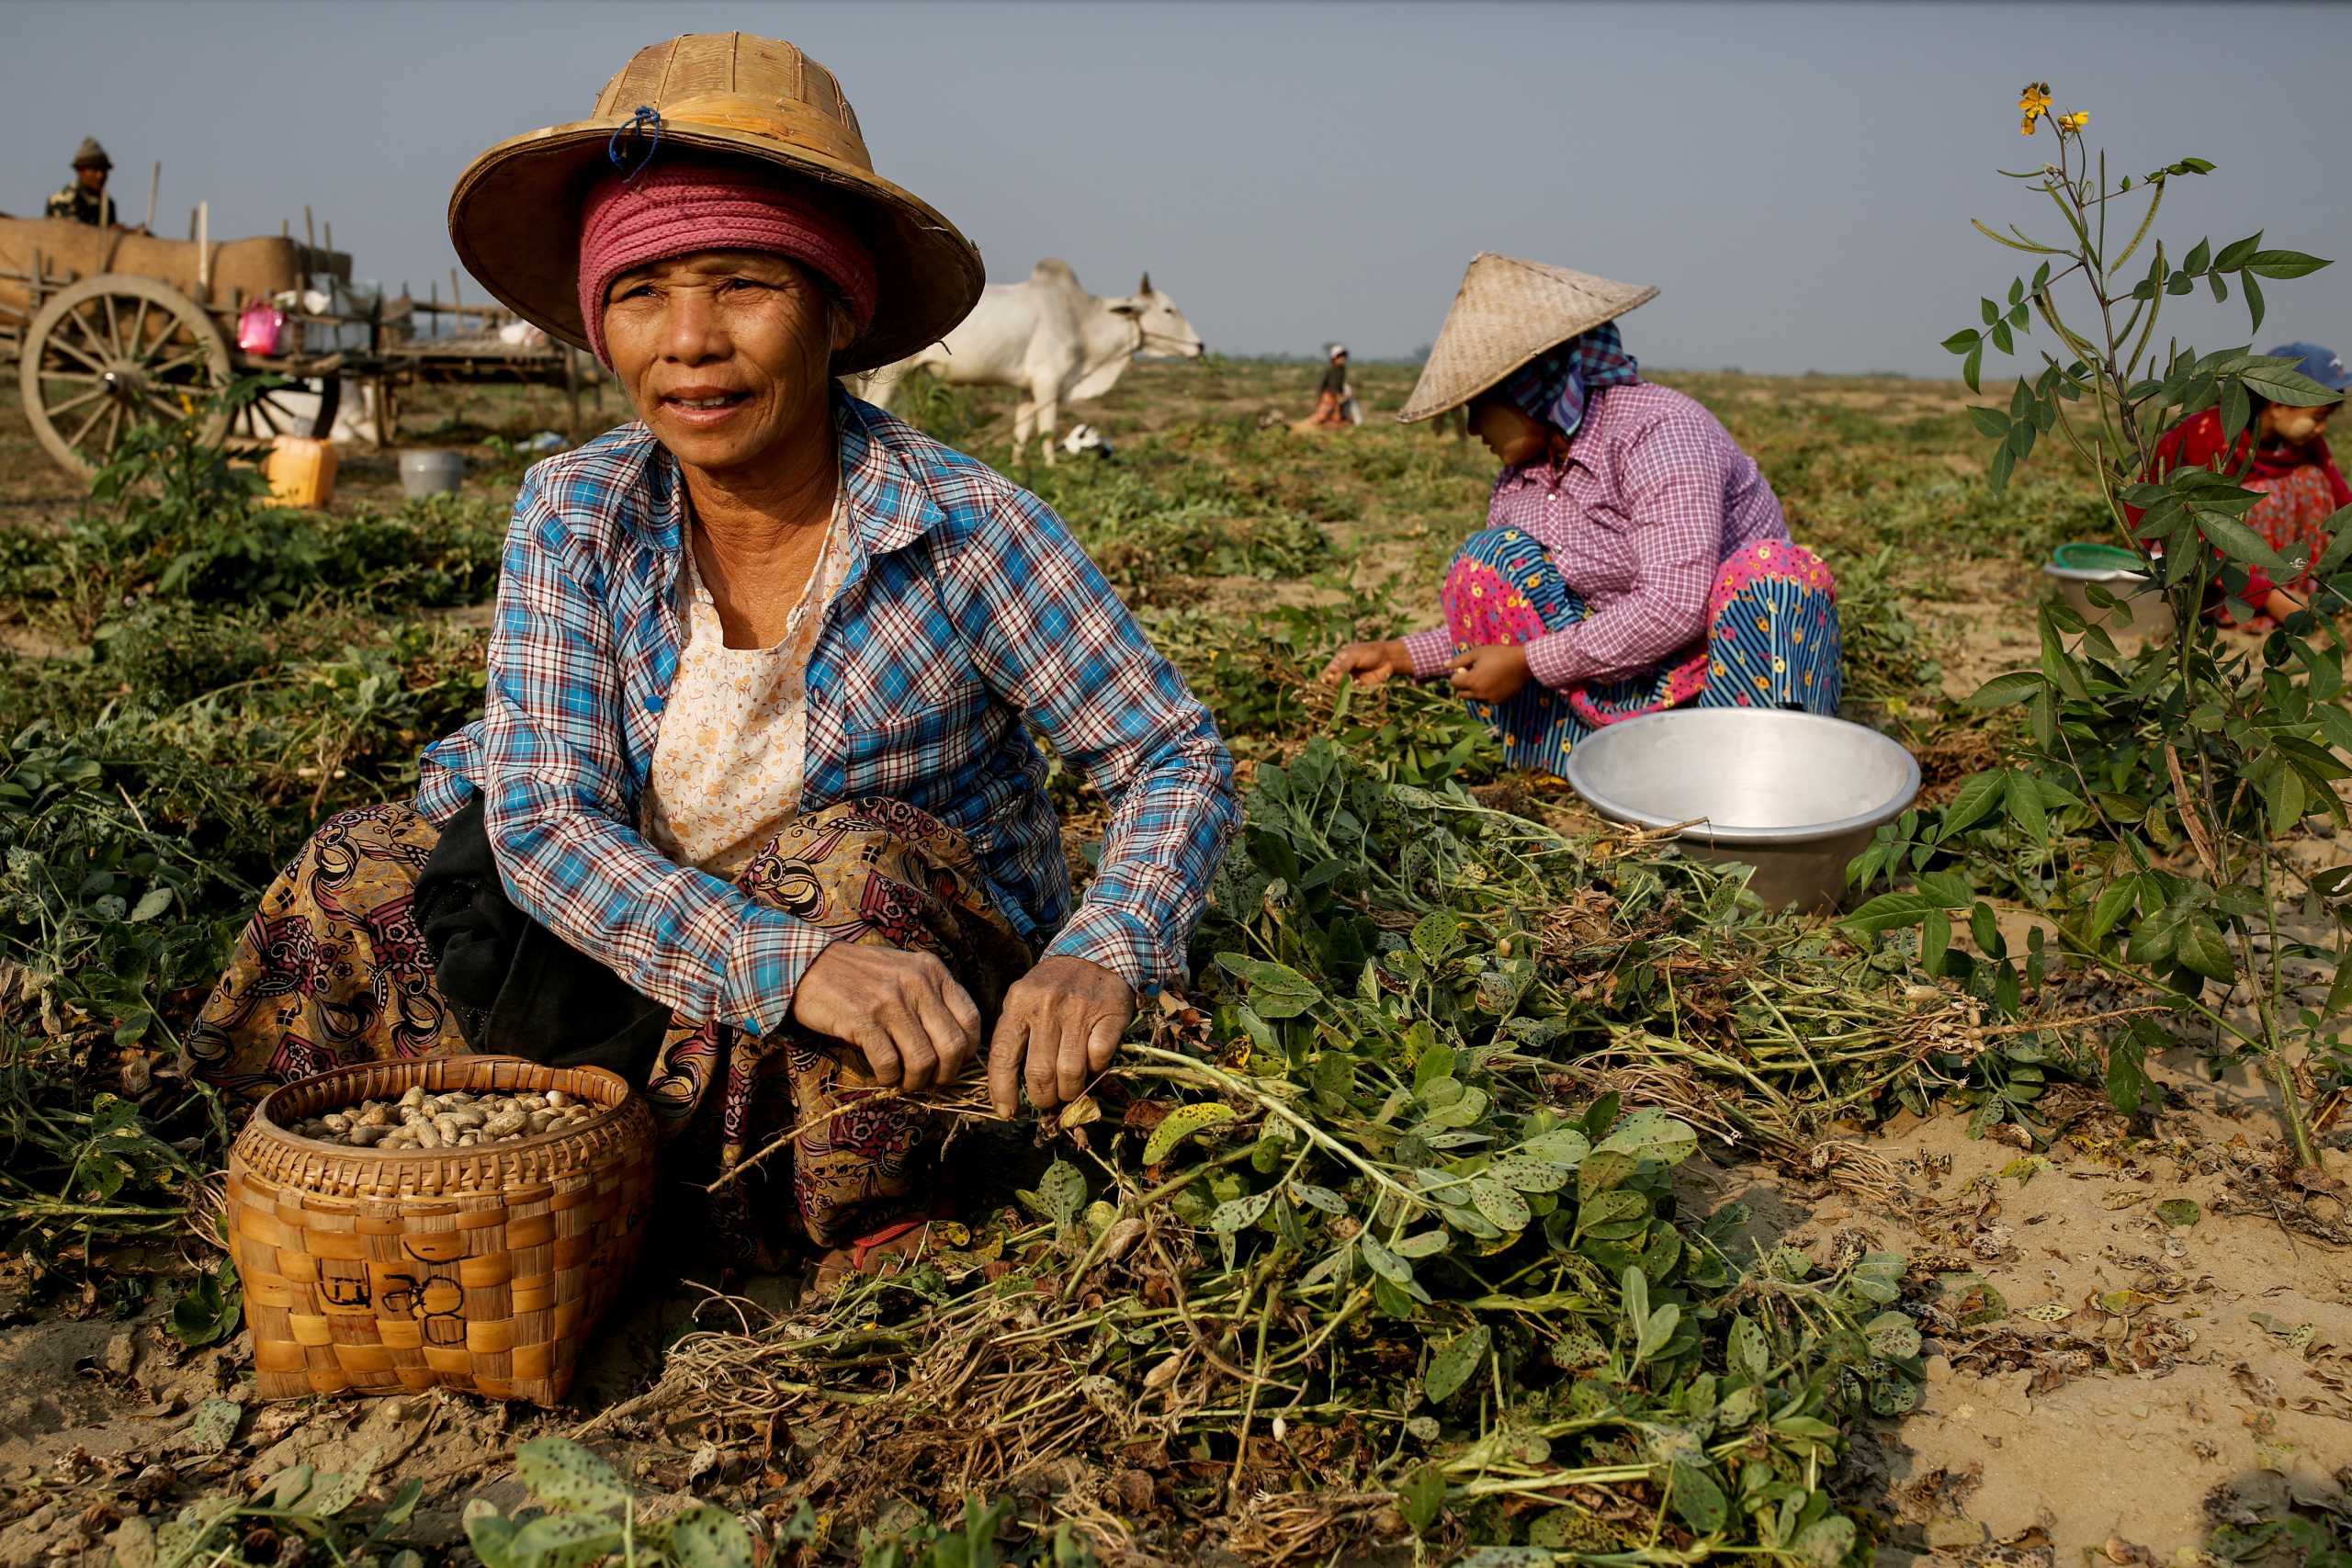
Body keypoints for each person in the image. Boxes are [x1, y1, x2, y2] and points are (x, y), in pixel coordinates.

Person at [185, 32, 1238, 1269]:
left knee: (851, 868)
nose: (688, 340)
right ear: (601, 324)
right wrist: (774, 962)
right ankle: (367, 1180)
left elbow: (1170, 751)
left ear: (837, 309)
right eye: (641, 294)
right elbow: (551, 824)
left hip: (892, 988)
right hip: (660, 938)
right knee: (359, 862)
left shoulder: (963, 527)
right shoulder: (576, 510)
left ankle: (822, 1205)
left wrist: (1100, 949)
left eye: (744, 284)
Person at [1321, 254, 1842, 773]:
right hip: (1614, 681)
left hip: (1724, 678)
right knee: (1491, 562)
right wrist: (1400, 656)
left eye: (1476, 405)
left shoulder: (1659, 432)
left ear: (1528, 386)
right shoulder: (1522, 483)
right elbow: (1517, 622)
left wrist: (1529, 663)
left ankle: (1761, 780)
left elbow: (1674, 604)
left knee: (1775, 575)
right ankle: (1581, 770)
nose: (1472, 428)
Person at [2145, 343, 2348, 629]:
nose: (2322, 428)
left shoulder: (2305, 446)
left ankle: (2299, 588)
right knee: (2258, 498)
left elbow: (2343, 502)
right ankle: (2248, 604)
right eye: (2318, 417)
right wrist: (2266, 595)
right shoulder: (2210, 435)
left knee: (2311, 481)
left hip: (2272, 581)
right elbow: (2191, 534)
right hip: (2193, 566)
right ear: (2278, 405)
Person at [44, 138, 119, 227]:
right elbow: (72, 233)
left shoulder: (107, 204)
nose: (100, 176)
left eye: (104, 170)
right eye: (94, 170)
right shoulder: (64, 200)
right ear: (80, 171)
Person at [1296, 344, 1354, 430]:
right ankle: (1301, 427)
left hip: (1336, 397)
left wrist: (1341, 395)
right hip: (1329, 397)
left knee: (1337, 418)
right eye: (1340, 356)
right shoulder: (1331, 369)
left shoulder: (1341, 370)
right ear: (1334, 358)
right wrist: (1322, 398)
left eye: (1344, 355)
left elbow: (1339, 385)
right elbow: (1328, 385)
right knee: (1321, 417)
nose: (1343, 358)